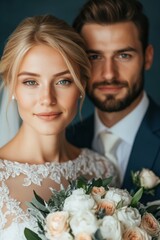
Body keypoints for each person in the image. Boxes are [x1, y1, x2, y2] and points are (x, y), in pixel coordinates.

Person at [0, 15, 119, 239]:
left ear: (81, 85)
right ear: (11, 86)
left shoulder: (103, 170)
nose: (47, 98)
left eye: (63, 81)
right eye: (30, 82)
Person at [67, 0, 160, 201]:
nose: (109, 74)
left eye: (123, 55)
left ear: (148, 57)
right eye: (94, 57)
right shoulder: (66, 140)